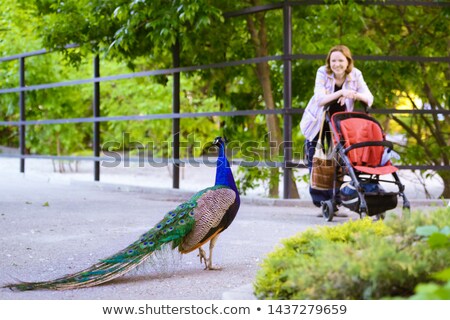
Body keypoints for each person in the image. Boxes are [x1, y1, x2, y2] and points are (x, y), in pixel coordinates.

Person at [300, 45, 374, 207]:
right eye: (333, 60)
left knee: (340, 161)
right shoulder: (322, 73)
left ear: (348, 62)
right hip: (318, 122)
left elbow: (369, 98)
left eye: (341, 60)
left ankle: (336, 199)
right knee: (316, 159)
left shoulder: (356, 75)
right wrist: (341, 93)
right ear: (329, 62)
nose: (337, 64)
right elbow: (320, 99)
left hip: (340, 123)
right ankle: (322, 202)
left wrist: (353, 94)